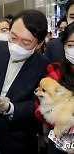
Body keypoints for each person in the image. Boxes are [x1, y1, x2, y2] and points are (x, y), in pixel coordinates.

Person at [0, 9, 50, 154]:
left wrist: (8, 107)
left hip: (17, 140)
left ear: (40, 43)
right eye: (13, 37)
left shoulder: (44, 66)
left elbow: (38, 105)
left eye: (26, 42)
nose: (17, 46)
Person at [36, 21, 74, 154]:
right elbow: (40, 107)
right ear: (63, 46)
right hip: (59, 142)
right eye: (70, 45)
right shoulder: (54, 70)